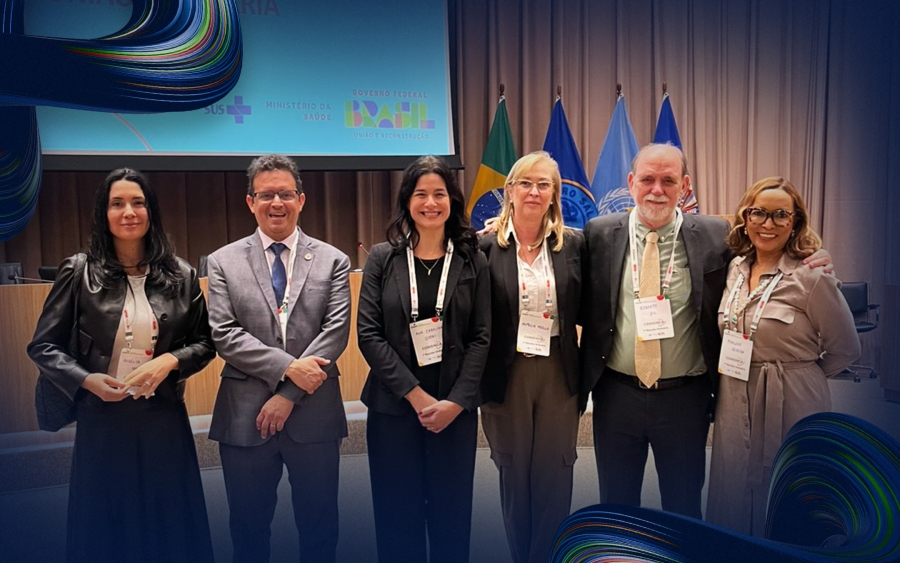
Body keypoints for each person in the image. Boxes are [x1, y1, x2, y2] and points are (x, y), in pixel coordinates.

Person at [580, 143, 832, 520]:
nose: (657, 190)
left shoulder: (716, 235)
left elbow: (765, 254)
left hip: (685, 399)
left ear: (685, 186)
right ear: (631, 183)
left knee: (683, 506)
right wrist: (496, 234)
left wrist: (811, 256)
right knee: (617, 506)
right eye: (647, 180)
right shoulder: (598, 233)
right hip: (616, 395)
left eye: (668, 181)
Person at [27, 168, 215, 563]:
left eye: (138, 202)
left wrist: (170, 360)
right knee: (105, 526)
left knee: (170, 523)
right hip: (102, 418)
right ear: (104, 212)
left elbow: (205, 343)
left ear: (151, 211)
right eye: (117, 203)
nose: (129, 212)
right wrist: (86, 380)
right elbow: (43, 346)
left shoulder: (181, 275)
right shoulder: (78, 272)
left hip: (162, 417)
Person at [206, 154, 351, 563]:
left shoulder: (333, 260)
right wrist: (288, 368)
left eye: (285, 194)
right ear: (250, 202)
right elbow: (224, 334)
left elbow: (335, 332)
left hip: (314, 413)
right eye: (266, 195)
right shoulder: (222, 261)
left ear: (301, 200)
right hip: (244, 415)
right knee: (248, 530)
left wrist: (287, 395)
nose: (276, 203)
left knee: (320, 528)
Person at [706, 177, 859, 536]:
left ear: (795, 222)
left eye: (780, 215)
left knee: (787, 485)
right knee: (733, 482)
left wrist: (802, 374)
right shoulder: (735, 268)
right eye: (759, 213)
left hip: (792, 397)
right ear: (745, 217)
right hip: (735, 392)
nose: (768, 224)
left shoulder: (812, 276)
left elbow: (847, 348)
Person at [357, 155, 491, 563]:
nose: (430, 203)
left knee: (452, 517)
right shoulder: (382, 258)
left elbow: (482, 336)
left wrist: (456, 402)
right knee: (397, 517)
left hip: (454, 410)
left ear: (452, 200)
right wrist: (415, 396)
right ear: (407, 201)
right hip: (394, 409)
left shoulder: (473, 259)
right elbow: (369, 334)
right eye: (421, 194)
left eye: (439, 194)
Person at [479, 151, 585, 563]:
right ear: (510, 190)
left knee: (555, 471)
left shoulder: (574, 244)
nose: (534, 192)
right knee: (514, 470)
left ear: (555, 193)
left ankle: (548, 556)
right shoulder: (485, 246)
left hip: (559, 367)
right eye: (525, 183)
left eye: (544, 184)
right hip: (507, 371)